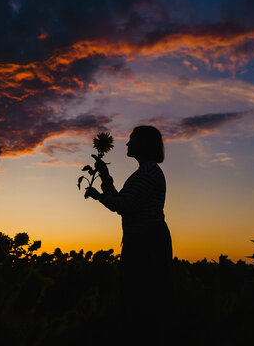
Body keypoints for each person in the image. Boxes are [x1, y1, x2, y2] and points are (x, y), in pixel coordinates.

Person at [84, 125, 173, 344]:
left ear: (143, 144)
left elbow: (122, 205)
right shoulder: (145, 172)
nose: (127, 143)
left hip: (146, 245)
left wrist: (97, 196)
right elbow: (121, 200)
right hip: (142, 241)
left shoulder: (148, 173)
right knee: (140, 299)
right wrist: (105, 176)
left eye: (132, 139)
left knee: (142, 301)